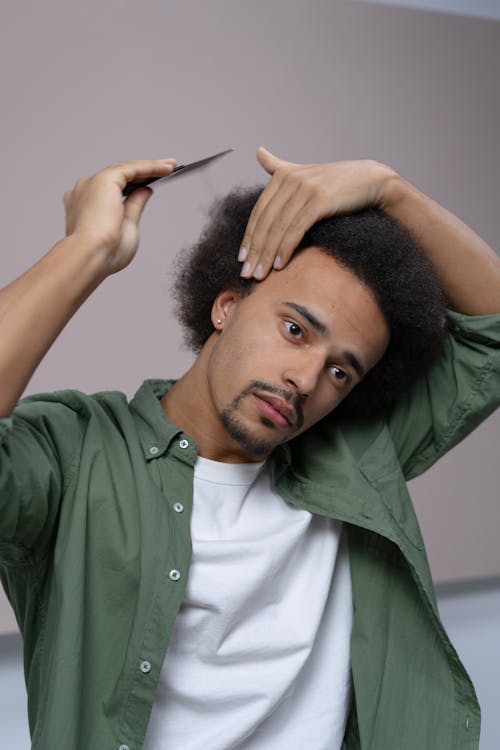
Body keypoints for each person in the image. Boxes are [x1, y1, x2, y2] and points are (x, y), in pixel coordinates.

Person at [0, 147, 499, 750]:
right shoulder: (75, 453)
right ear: (227, 305)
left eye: (342, 371)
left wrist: (387, 188)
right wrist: (88, 250)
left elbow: (492, 335)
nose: (307, 379)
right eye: (295, 330)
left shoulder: (354, 456)